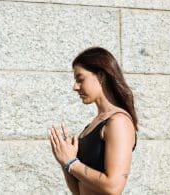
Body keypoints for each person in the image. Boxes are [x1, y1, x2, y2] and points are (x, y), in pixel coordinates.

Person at [49, 47, 138, 195]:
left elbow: (113, 187)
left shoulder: (118, 122)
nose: (75, 87)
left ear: (101, 76)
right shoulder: (93, 125)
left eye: (80, 79)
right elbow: (78, 191)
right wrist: (64, 161)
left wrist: (72, 163)